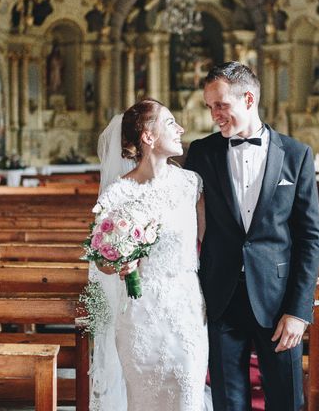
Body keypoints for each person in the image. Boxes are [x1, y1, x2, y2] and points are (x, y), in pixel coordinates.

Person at [185, 61, 319, 411]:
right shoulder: (202, 153)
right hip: (220, 298)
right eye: (210, 106)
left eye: (221, 105)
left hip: (278, 303)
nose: (214, 114)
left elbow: (309, 238)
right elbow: (178, 216)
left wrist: (299, 310)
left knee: (286, 401)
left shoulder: (296, 154)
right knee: (227, 403)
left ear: (248, 99)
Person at [90, 98, 210, 410]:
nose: (181, 128)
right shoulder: (119, 193)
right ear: (148, 136)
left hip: (186, 311)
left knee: (188, 398)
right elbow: (101, 261)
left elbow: (209, 242)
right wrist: (120, 260)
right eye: (171, 122)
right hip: (140, 317)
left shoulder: (190, 184)